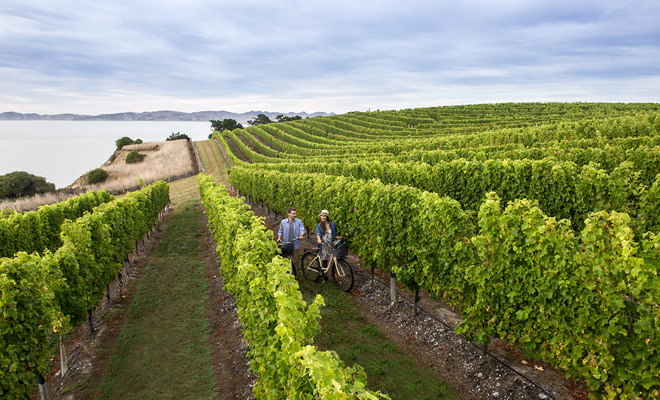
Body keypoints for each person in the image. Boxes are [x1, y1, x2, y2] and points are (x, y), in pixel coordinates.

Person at [277, 207, 305, 272]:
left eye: (295, 213)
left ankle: (295, 274)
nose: (295, 215)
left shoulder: (299, 221)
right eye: (293, 214)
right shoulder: (283, 222)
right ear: (289, 214)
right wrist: (279, 238)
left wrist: (301, 235)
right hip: (286, 244)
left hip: (295, 244)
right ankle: (286, 273)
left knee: (296, 260)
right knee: (286, 259)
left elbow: (302, 230)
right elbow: (280, 231)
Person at [315, 209, 339, 275]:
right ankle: (325, 276)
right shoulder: (319, 225)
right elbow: (318, 234)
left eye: (324, 216)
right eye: (321, 216)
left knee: (334, 259)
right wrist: (319, 239)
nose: (322, 217)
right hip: (323, 244)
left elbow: (334, 233)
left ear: (327, 217)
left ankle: (335, 274)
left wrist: (337, 237)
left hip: (331, 243)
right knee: (325, 261)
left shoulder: (332, 224)